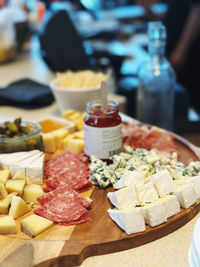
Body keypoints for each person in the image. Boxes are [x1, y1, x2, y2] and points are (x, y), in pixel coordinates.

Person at [164, 0, 200, 113]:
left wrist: (180, 51)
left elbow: (197, 10)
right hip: (175, 44)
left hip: (188, 50)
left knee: (190, 98)